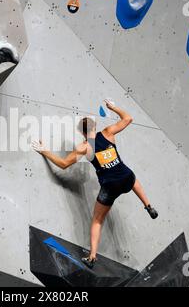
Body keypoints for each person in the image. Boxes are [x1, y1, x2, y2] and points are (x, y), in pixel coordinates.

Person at [32, 100, 158, 269]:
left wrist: (43, 149)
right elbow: (128, 118)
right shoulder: (108, 133)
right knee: (131, 177)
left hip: (110, 187)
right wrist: (113, 107)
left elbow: (63, 164)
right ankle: (148, 205)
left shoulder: (85, 147)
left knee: (97, 220)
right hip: (126, 178)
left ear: (82, 133)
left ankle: (92, 257)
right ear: (94, 127)